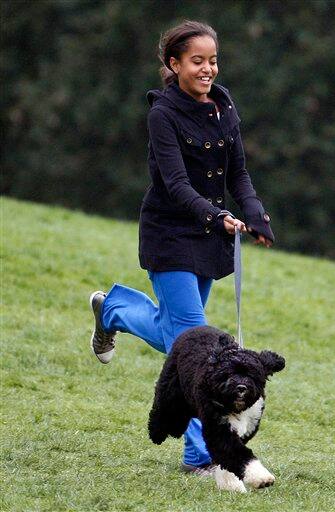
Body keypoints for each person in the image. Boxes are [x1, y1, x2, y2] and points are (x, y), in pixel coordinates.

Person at [89, 20, 274, 477]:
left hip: (210, 237)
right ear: (174, 64)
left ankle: (112, 309)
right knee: (196, 340)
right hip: (171, 233)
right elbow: (173, 184)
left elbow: (238, 175)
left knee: (179, 338)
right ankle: (199, 455)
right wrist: (214, 215)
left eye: (213, 60)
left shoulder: (224, 107)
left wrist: (254, 214)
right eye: (197, 61)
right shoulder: (163, 114)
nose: (208, 69)